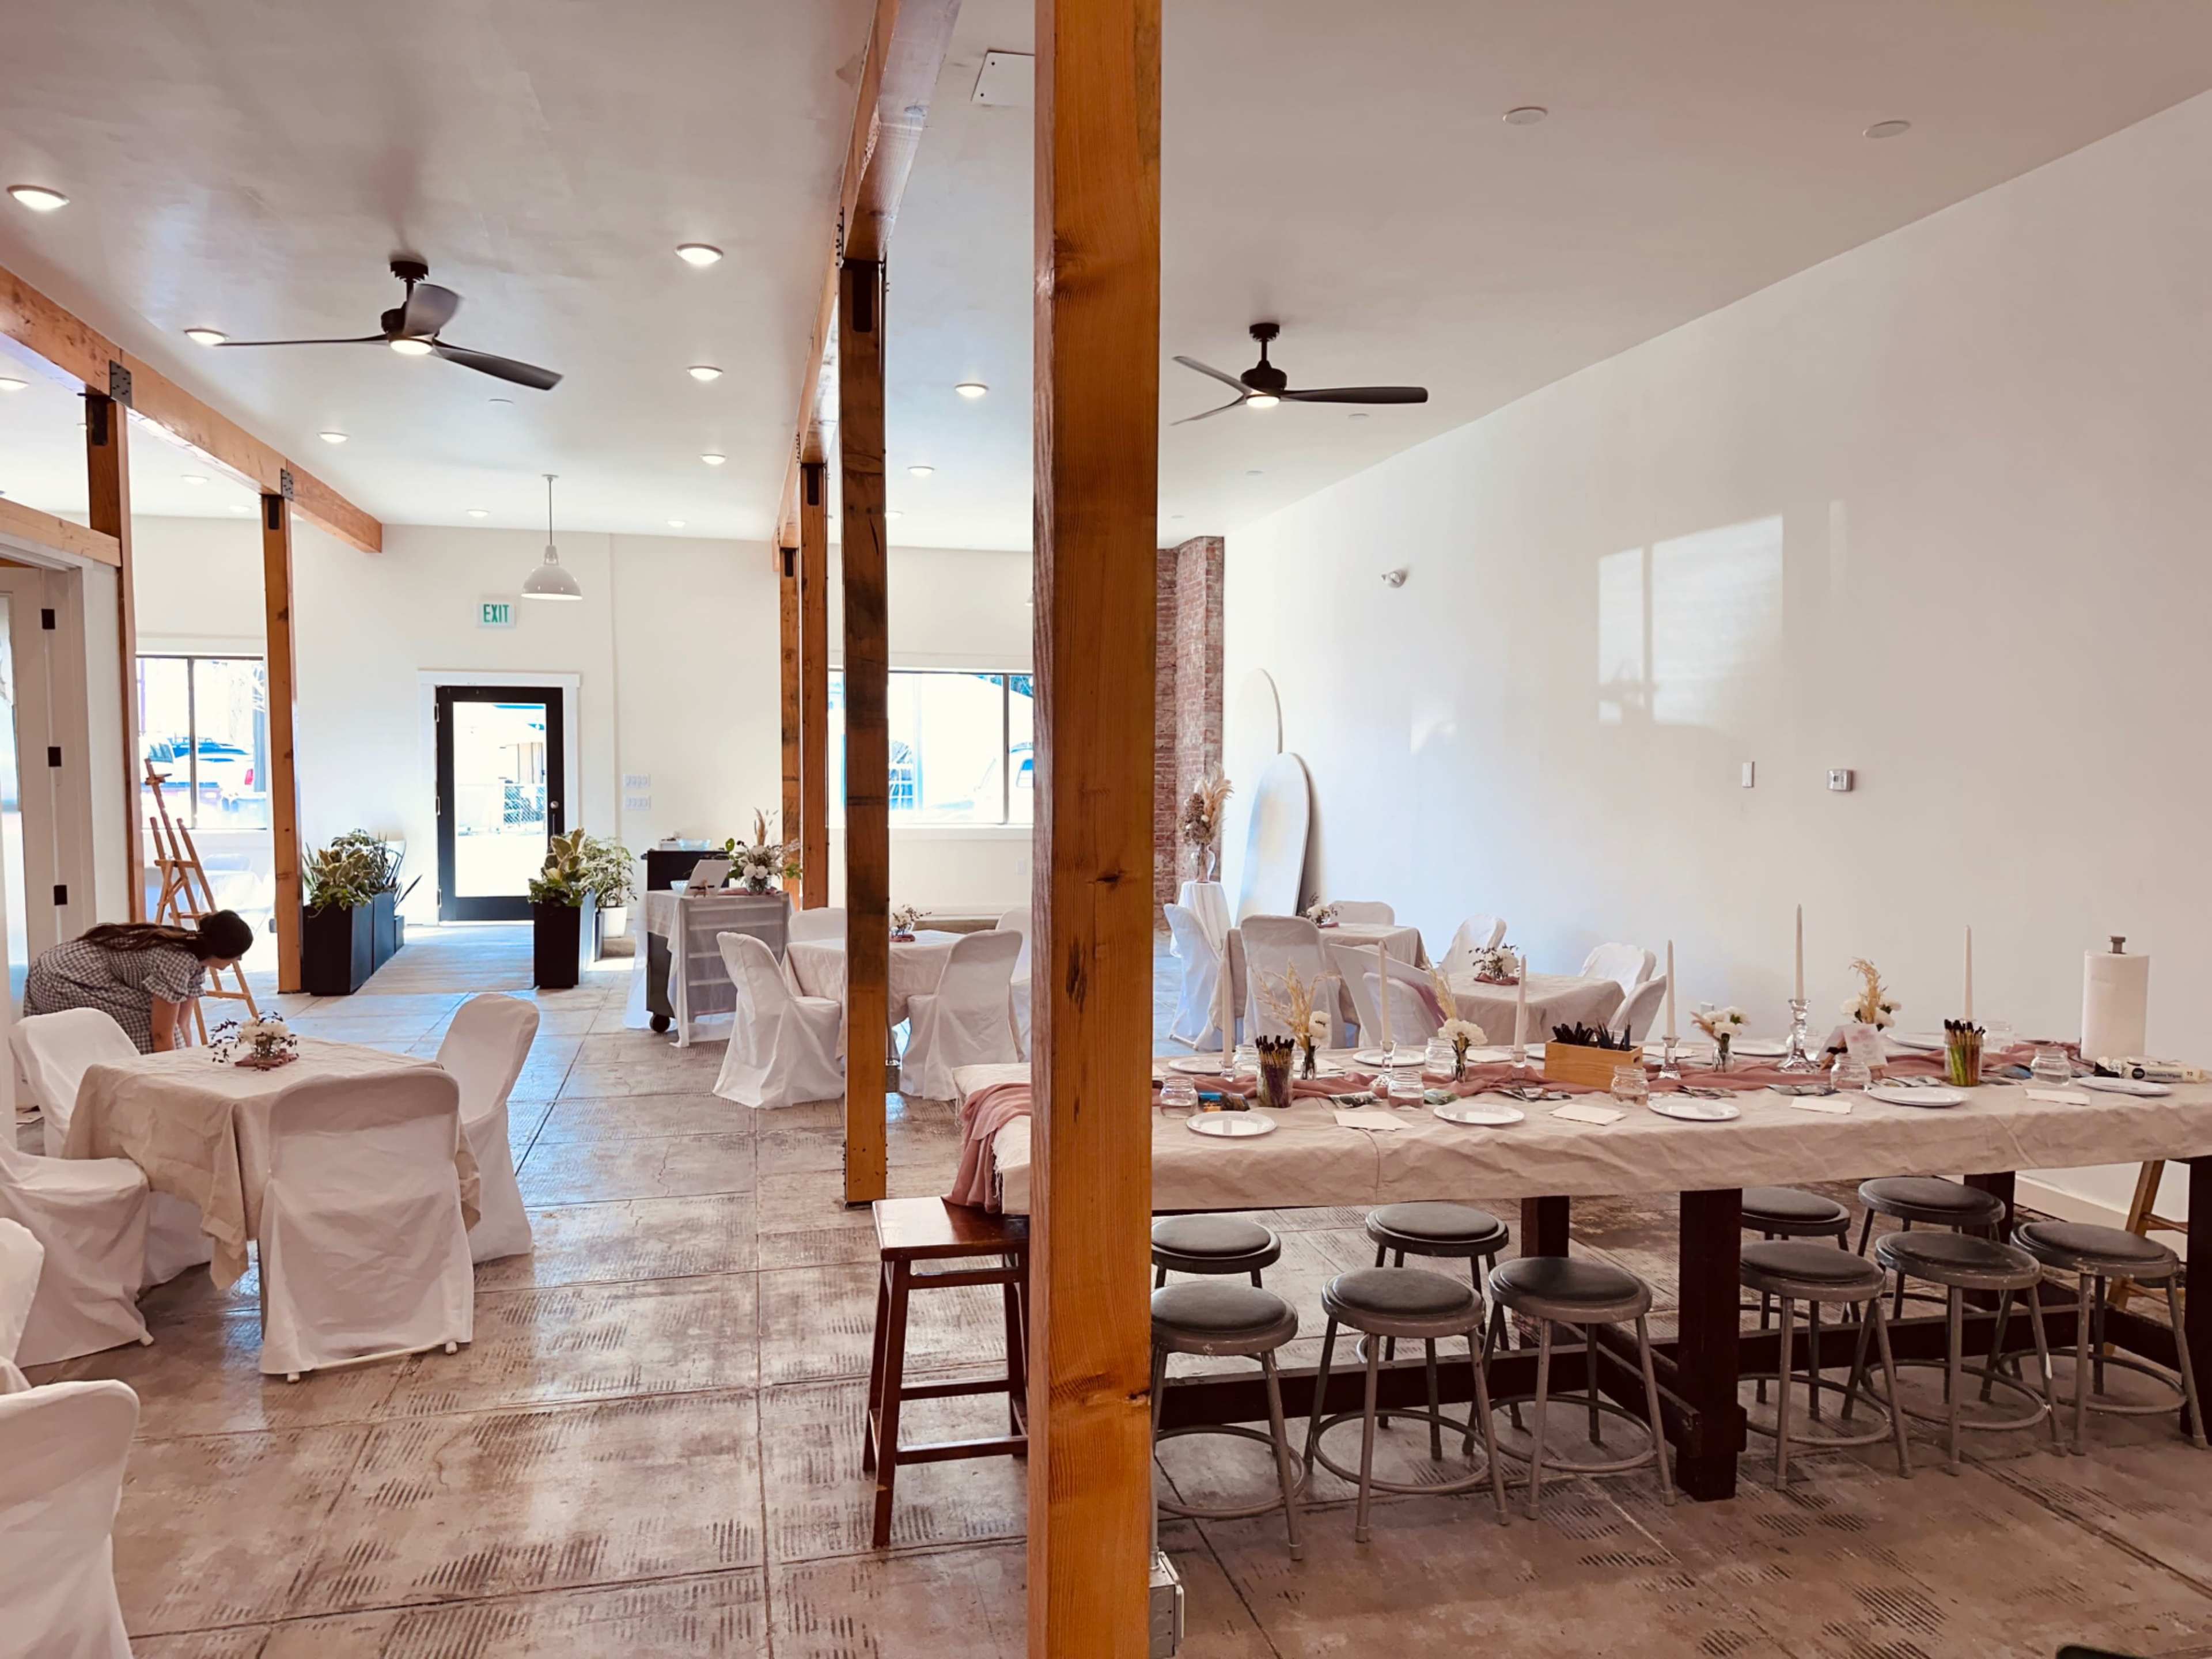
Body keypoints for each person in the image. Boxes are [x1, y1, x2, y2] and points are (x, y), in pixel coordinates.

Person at [21, 912, 255, 1054]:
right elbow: (161, 1035)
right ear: (223, 950)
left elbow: (182, 1025)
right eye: (238, 954)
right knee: (147, 1019)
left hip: (74, 969)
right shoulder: (178, 958)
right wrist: (176, 1081)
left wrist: (191, 1065)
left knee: (165, 1022)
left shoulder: (197, 956)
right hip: (61, 976)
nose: (240, 960)